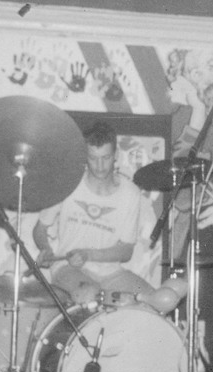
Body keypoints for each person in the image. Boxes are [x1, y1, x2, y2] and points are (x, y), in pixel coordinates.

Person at [33, 121, 186, 313]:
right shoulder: (68, 182)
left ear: (116, 156)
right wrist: (46, 250)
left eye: (105, 158)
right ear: (84, 156)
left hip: (111, 272)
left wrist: (88, 254)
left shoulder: (130, 192)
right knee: (89, 293)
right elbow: (40, 229)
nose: (99, 166)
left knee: (152, 309)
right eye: (93, 158)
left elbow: (125, 251)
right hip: (68, 269)